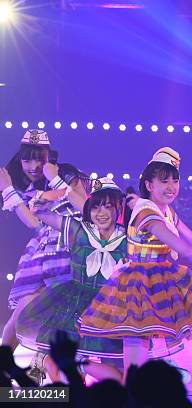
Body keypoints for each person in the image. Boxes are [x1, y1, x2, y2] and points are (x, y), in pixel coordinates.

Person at [76, 147, 192, 394]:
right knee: (134, 376)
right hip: (139, 287)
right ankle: (78, 365)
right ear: (149, 184)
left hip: (165, 279)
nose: (171, 187)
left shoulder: (167, 211)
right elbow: (183, 249)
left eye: (175, 180)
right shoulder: (144, 210)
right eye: (164, 181)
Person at [16, 177, 128, 383]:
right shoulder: (79, 229)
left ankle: (78, 364)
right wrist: (52, 195)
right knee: (62, 365)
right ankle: (67, 384)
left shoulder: (128, 237)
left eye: (108, 207)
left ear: (118, 208)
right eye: (95, 207)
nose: (101, 213)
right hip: (75, 305)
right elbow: (39, 212)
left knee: (117, 377)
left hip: (110, 309)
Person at [0, 129, 88, 380]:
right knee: (21, 314)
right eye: (27, 159)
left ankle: (68, 381)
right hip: (42, 255)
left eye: (39, 158)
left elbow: (85, 208)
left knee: (68, 321)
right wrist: (8, 189)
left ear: (49, 156)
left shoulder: (67, 173)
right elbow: (33, 222)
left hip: (71, 252)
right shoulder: (23, 186)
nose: (33, 165)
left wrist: (58, 181)